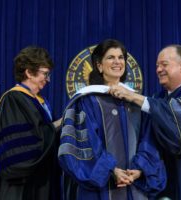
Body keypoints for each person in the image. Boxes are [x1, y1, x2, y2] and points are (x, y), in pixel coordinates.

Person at [109, 44, 181, 200]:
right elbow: (149, 141)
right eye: (157, 66)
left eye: (164, 64)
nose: (158, 70)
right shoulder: (158, 100)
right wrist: (142, 168)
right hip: (165, 189)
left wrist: (134, 97)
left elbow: (180, 135)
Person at [58, 39, 166, 200]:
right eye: (110, 57)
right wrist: (111, 170)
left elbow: (148, 139)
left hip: (134, 187)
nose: (117, 62)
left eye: (121, 57)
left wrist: (140, 169)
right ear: (99, 66)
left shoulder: (135, 101)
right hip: (99, 189)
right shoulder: (86, 101)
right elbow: (84, 144)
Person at [0, 46, 61, 200]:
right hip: (20, 187)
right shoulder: (14, 99)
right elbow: (20, 152)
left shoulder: (39, 102)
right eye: (45, 74)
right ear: (29, 72)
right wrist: (58, 124)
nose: (48, 80)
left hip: (39, 182)